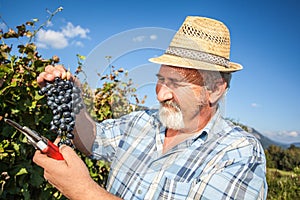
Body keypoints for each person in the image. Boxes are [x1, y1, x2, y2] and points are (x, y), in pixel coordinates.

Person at [33, 16, 268, 200]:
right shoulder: (140, 122)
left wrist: (83, 192)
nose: (161, 94)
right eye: (161, 79)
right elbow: (92, 139)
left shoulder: (238, 153)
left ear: (215, 90)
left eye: (176, 84)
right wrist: (74, 100)